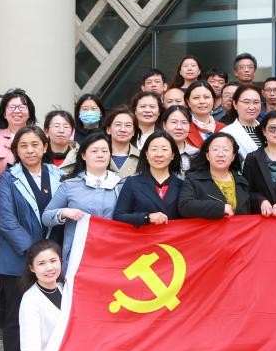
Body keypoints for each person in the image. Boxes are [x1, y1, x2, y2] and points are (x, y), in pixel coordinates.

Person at [0, 126, 62, 351]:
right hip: (17, 259)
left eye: (35, 144)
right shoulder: (8, 179)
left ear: (45, 147)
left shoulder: (58, 175)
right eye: (23, 146)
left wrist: (49, 256)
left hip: (52, 260)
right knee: (15, 317)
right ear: (16, 150)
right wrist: (36, 253)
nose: (30, 150)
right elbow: (6, 220)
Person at [42, 132, 123, 261]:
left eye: (104, 151)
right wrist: (64, 212)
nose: (100, 155)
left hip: (112, 251)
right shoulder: (69, 185)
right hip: (78, 254)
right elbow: (46, 217)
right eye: (94, 151)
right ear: (83, 155)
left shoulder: (120, 185)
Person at [17, 239, 67, 351]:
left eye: (53, 261)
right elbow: (31, 347)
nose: (49, 268)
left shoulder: (65, 289)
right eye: (42, 263)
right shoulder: (31, 300)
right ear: (32, 268)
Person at [114, 130, 183, 226]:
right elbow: (118, 217)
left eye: (164, 149)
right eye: (154, 149)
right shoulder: (132, 183)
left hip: (173, 235)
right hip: (143, 235)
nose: (159, 154)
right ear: (146, 154)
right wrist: (146, 217)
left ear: (172, 155)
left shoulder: (183, 185)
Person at [179, 132, 250, 219]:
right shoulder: (193, 179)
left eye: (226, 150)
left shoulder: (242, 181)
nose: (220, 154)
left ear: (233, 156)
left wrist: (261, 202)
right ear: (207, 155)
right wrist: (220, 208)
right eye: (215, 149)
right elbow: (184, 205)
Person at [243, 110, 276, 217]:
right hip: (261, 217)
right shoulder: (252, 158)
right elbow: (245, 191)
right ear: (264, 131)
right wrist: (261, 201)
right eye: (272, 128)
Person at [0, 88, 37, 177]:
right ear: (4, 114)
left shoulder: (38, 137)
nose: (17, 111)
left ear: (29, 113)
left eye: (22, 107)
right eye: (12, 107)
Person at [220, 82, 263, 161]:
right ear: (235, 104)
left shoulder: (266, 129)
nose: (252, 107)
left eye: (256, 102)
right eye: (246, 102)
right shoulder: (226, 133)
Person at [102, 107, 140, 178]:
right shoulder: (97, 155)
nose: (123, 130)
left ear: (133, 132)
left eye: (128, 125)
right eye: (118, 124)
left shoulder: (142, 158)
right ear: (108, 129)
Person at [160, 104, 195, 175]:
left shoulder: (196, 154)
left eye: (184, 122)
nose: (179, 127)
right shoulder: (155, 152)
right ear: (164, 125)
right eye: (174, 122)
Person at [184, 81, 219, 149]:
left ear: (213, 100)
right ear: (188, 102)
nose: (202, 101)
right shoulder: (183, 129)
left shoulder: (224, 129)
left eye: (206, 97)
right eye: (196, 98)